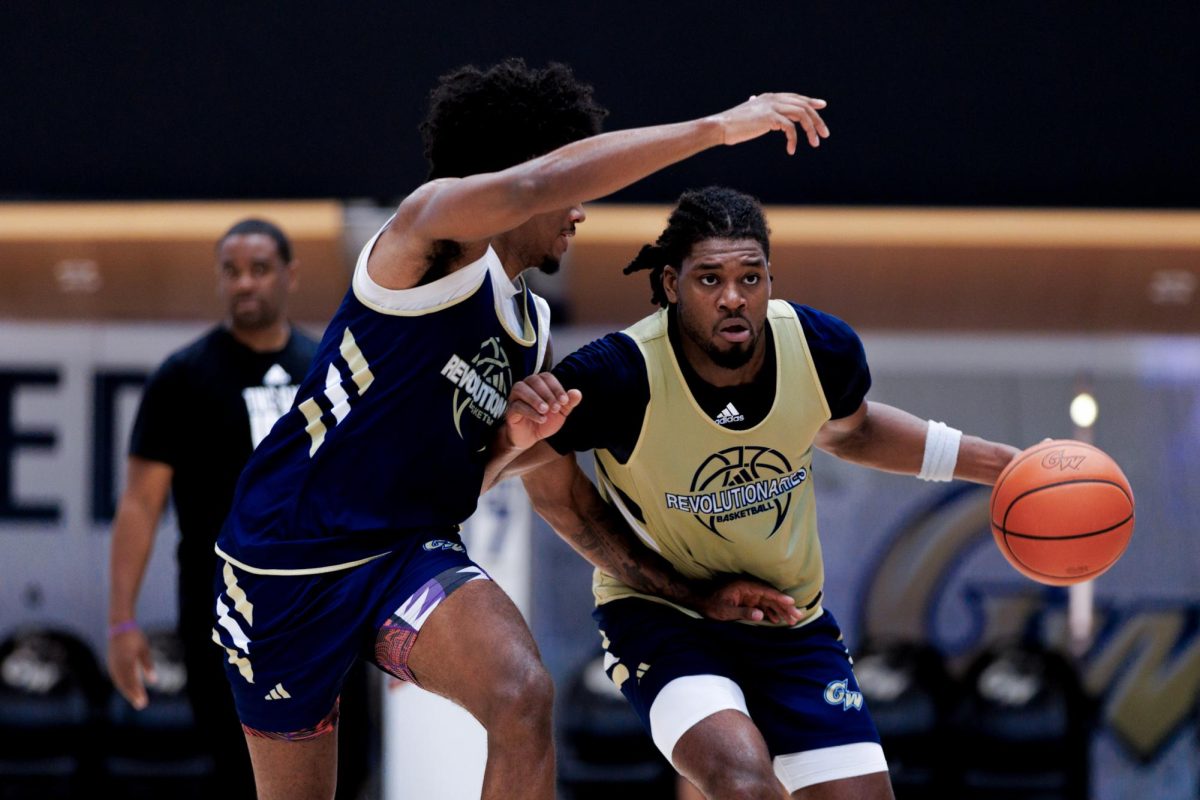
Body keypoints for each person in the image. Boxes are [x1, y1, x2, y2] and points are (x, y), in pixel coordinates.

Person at [209, 59, 829, 800]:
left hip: (401, 557)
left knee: (522, 695)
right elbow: (537, 186)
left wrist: (688, 592)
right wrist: (718, 128)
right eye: (571, 182)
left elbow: (563, 500)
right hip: (284, 563)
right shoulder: (426, 237)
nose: (579, 210)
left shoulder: (529, 336)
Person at [507, 186, 1023, 799]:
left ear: (771, 280)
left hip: (789, 619)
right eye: (710, 279)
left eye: (751, 278)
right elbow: (544, 486)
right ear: (670, 284)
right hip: (664, 616)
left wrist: (1002, 465)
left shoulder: (820, 349)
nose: (733, 298)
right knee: (742, 780)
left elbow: (853, 433)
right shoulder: (617, 376)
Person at [106, 218, 370, 799]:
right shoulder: (183, 377)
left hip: (328, 613)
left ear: (290, 275)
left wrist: (385, 615)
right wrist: (122, 621)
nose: (244, 283)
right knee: (239, 776)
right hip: (224, 616)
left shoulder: (325, 369)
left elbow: (363, 495)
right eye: (231, 272)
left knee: (347, 776)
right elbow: (140, 504)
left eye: (259, 269)